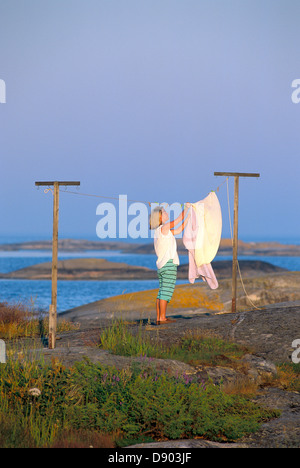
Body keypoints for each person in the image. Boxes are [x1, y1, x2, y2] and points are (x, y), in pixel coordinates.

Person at [149, 204, 191, 325]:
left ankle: (159, 317)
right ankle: (162, 318)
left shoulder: (161, 231)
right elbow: (178, 220)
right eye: (165, 212)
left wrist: (188, 217)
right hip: (168, 264)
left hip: (162, 266)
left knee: (162, 291)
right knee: (166, 291)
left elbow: (178, 229)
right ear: (160, 217)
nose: (167, 213)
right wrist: (186, 209)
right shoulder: (164, 227)